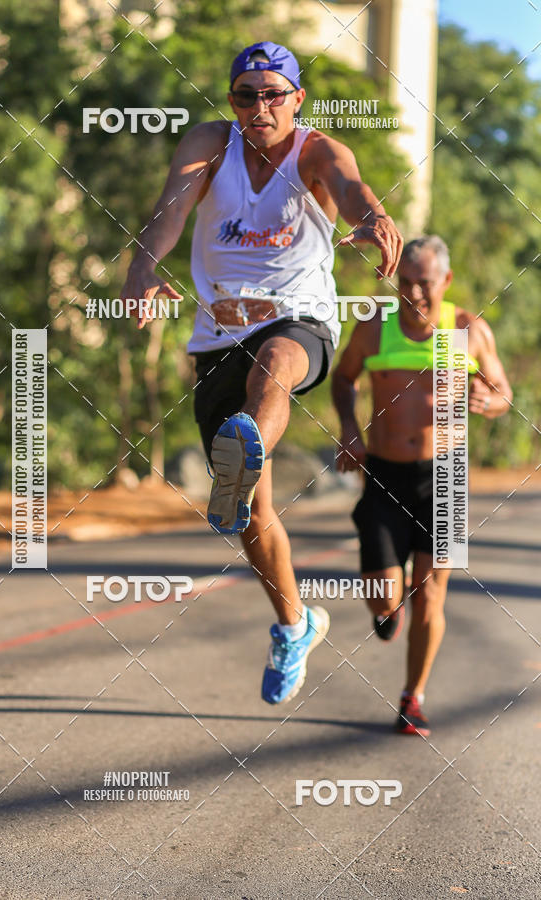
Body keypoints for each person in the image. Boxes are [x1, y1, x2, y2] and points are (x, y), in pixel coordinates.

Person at [121, 41, 402, 704]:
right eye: (246, 95)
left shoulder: (317, 151)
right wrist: (142, 265)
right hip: (218, 334)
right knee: (254, 517)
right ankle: (294, 624)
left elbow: (352, 190)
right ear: (232, 101)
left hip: (298, 320)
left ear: (297, 99)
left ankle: (242, 456)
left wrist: (373, 217)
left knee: (274, 366)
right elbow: (169, 212)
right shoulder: (210, 144)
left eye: (274, 94)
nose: (260, 107)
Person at [332, 235, 512, 735]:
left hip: (446, 477)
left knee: (430, 595)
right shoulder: (375, 327)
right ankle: (388, 612)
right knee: (384, 597)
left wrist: (489, 401)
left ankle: (413, 698)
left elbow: (503, 391)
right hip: (385, 474)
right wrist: (348, 428)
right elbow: (343, 379)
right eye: (404, 282)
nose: (412, 293)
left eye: (424, 283)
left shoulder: (465, 330)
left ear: (446, 281)